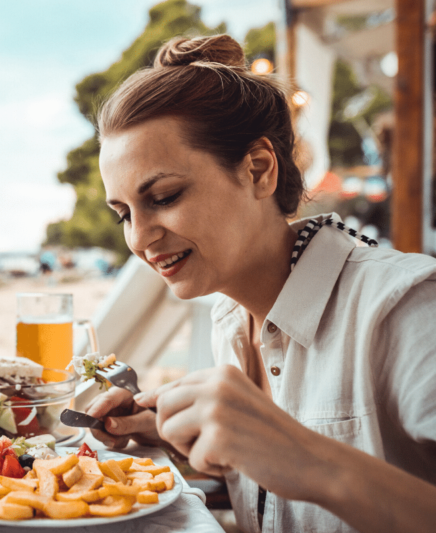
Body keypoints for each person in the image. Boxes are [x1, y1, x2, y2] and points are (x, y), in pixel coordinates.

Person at [86, 34, 436, 532]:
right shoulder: (229, 319)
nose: (139, 238)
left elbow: (300, 464)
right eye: (123, 213)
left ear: (258, 170)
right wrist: (184, 438)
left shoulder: (406, 307)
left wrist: (310, 460)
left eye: (164, 196)